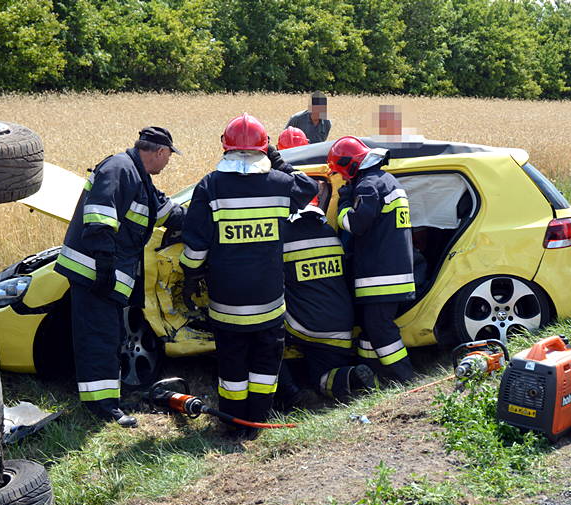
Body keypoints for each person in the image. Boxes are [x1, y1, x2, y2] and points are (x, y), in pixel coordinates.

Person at [178, 113, 318, 437]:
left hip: (226, 304)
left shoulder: (210, 186)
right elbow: (309, 187)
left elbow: (195, 248)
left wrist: (190, 278)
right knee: (265, 368)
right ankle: (256, 424)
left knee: (232, 369)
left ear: (225, 147)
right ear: (265, 148)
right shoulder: (282, 185)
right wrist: (279, 161)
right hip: (269, 302)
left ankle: (232, 424)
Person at [54, 127, 186, 427]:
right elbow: (99, 215)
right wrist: (103, 263)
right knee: (98, 340)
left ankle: (108, 400)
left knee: (108, 337)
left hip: (105, 275)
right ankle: (102, 408)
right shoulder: (118, 168)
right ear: (160, 152)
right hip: (94, 273)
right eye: (168, 158)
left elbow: (166, 211)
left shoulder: (138, 176)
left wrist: (198, 222)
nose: (167, 164)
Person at [329, 136, 416, 383]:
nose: (344, 179)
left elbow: (355, 225)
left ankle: (404, 378)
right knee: (370, 329)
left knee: (380, 329)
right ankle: (373, 376)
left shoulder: (368, 186)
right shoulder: (387, 181)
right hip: (394, 272)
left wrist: (344, 201)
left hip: (381, 277)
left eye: (342, 174)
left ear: (350, 166)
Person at [280, 190, 378, 403]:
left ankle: (351, 379)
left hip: (309, 325)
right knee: (331, 364)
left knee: (320, 380)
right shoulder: (326, 230)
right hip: (342, 318)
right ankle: (356, 375)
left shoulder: (282, 234)